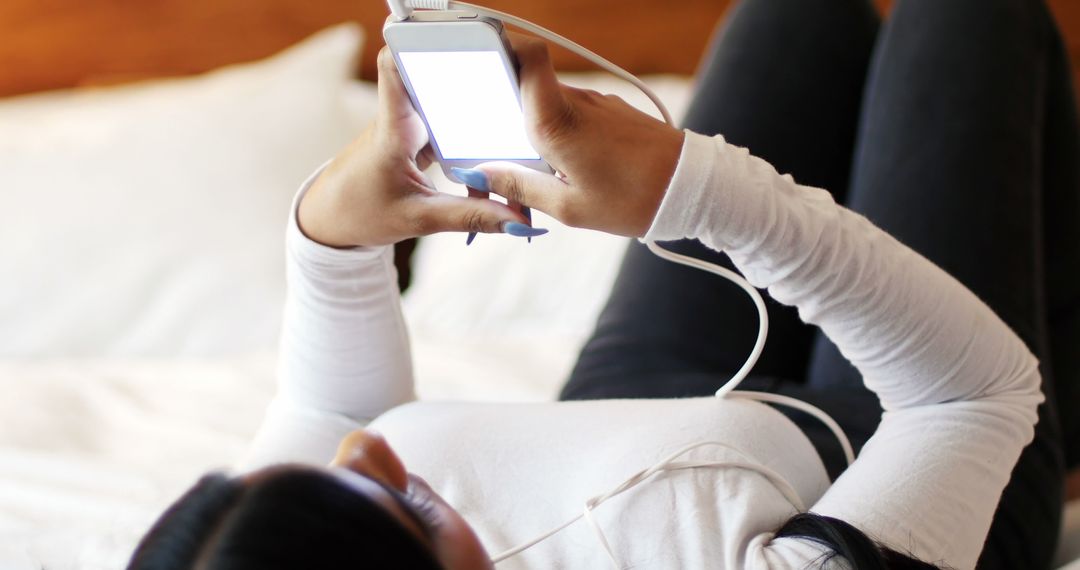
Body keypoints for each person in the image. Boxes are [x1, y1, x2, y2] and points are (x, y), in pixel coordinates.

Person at [127, 0, 1080, 567]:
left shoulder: (246, 549)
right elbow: (971, 394)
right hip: (882, 458)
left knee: (797, 16)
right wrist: (693, 188)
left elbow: (334, 412)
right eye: (409, 506)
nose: (369, 454)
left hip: (632, 413)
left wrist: (332, 237)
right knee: (966, 19)